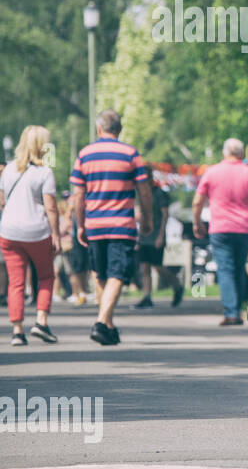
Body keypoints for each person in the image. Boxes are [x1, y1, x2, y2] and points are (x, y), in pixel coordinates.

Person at [70, 109, 154, 346]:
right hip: (121, 224)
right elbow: (144, 190)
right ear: (120, 129)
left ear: (99, 129)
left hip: (94, 224)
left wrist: (81, 223)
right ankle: (101, 322)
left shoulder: (84, 155)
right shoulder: (130, 154)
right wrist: (148, 218)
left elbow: (78, 194)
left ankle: (107, 326)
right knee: (117, 275)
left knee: (100, 274)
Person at [193, 138, 248, 325]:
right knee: (240, 267)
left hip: (220, 228)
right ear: (241, 154)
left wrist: (197, 222)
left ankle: (231, 312)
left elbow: (197, 201)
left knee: (225, 269)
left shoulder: (212, 172)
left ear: (225, 152)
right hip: (244, 228)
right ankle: (238, 307)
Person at [0, 126, 60, 345]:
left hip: (9, 231)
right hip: (36, 231)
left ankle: (17, 331)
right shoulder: (44, 173)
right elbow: (51, 208)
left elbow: (2, 201)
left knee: (16, 282)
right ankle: (41, 321)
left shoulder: (8, 170)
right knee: (45, 276)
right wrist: (56, 235)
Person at [133, 177, 183, 309]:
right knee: (144, 267)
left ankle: (177, 285)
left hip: (156, 235)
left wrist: (161, 235)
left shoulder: (159, 194)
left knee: (158, 266)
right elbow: (139, 216)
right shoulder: (140, 194)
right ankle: (147, 296)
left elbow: (165, 215)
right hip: (144, 236)